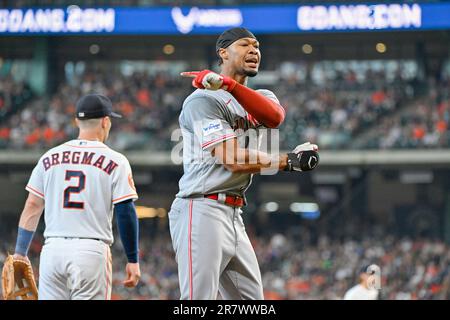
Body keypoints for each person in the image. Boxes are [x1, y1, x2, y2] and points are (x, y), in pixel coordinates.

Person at [169, 27, 319, 300]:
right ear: (223, 53)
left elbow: (274, 118)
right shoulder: (202, 100)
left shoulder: (262, 97)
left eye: (258, 46)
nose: (254, 51)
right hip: (201, 207)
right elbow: (232, 159)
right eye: (245, 45)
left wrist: (228, 85)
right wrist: (289, 161)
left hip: (234, 213)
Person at [12, 94, 141, 300]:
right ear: (105, 122)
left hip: (52, 250)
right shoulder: (116, 160)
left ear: (76, 122)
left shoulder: (48, 157)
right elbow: (125, 211)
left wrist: (20, 252)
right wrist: (132, 259)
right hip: (91, 252)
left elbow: (33, 205)